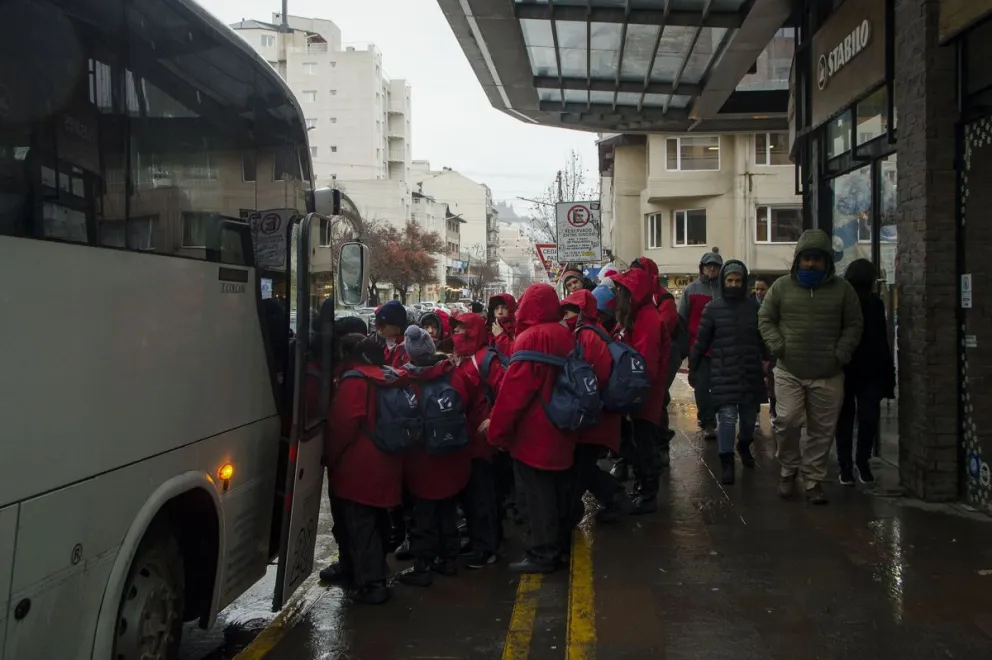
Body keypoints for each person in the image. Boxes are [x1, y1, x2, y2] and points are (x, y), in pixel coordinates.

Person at [758, 229, 863, 505]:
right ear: (798, 260)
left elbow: (854, 324)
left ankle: (814, 479)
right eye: (806, 259)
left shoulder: (843, 290)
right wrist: (778, 345)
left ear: (827, 261)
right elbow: (765, 318)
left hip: (828, 373)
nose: (811, 264)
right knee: (788, 421)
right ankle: (788, 469)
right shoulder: (781, 287)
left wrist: (841, 353)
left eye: (817, 259)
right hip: (789, 370)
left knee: (822, 430)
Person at [488, 283, 576, 573]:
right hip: (562, 425)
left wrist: (497, 432)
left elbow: (514, 393)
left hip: (535, 432)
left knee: (537, 497)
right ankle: (560, 547)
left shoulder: (530, 338)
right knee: (558, 491)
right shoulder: (564, 334)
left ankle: (543, 553)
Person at [319, 333, 399, 605]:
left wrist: (328, 457)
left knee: (359, 524)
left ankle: (373, 585)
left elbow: (342, 426)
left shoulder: (354, 381)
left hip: (358, 467)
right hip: (385, 460)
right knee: (376, 521)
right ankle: (372, 570)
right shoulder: (385, 375)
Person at [396, 326, 472, 586]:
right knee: (448, 512)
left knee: (423, 516)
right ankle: (449, 560)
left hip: (422, 459)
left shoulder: (406, 380)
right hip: (453, 457)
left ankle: (423, 566)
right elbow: (466, 402)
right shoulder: (453, 373)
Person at [689, 260, 767, 485]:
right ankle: (726, 461)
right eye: (730, 280)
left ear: (744, 283)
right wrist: (694, 368)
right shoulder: (713, 309)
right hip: (723, 371)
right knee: (727, 417)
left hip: (750, 371)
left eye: (738, 280)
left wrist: (769, 360)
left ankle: (743, 446)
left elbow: (763, 339)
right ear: (724, 282)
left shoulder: (754, 308)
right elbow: (701, 342)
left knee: (749, 420)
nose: (733, 284)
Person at [561, 289, 626, 523]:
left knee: (581, 468)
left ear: (581, 313)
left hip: (595, 416)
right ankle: (612, 498)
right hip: (597, 414)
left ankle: (612, 499)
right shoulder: (591, 330)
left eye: (568, 311)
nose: (564, 316)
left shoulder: (586, 335)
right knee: (583, 467)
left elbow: (593, 377)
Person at [611, 267, 668, 514]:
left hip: (644, 396)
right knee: (639, 443)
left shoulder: (647, 319)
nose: (617, 292)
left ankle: (648, 494)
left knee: (644, 445)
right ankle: (642, 489)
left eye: (621, 289)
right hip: (639, 394)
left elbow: (646, 364)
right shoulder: (636, 315)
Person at [451, 312, 506, 568]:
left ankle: (486, 548)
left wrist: (494, 419)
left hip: (482, 441)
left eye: (463, 327)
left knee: (482, 495)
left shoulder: (485, 359)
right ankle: (478, 541)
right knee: (471, 495)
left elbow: (506, 389)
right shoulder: (461, 358)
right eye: (457, 327)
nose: (458, 332)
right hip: (466, 438)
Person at [835, 259, 895, 486]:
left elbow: (881, 340)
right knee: (860, 418)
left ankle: (853, 464)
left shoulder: (874, 304)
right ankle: (853, 464)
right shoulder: (858, 304)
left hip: (856, 368)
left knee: (851, 419)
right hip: (858, 368)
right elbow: (881, 341)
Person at [630, 256, 682, 466]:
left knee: (658, 400)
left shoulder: (663, 298)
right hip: (645, 356)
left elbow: (662, 328)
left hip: (661, 357)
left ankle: (661, 445)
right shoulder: (637, 298)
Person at [679, 248, 724, 439]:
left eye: (715, 266)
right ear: (702, 268)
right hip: (699, 347)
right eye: (709, 266)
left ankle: (719, 417)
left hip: (722, 347)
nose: (712, 269)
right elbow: (682, 319)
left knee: (721, 387)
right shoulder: (691, 290)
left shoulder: (725, 290)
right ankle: (707, 421)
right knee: (702, 386)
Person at [374, 300, 410, 367]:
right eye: (377, 324)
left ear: (396, 325)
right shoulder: (378, 341)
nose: (378, 328)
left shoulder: (409, 347)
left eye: (382, 324)